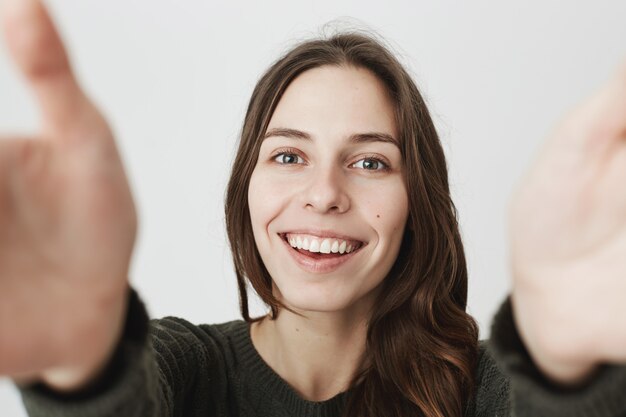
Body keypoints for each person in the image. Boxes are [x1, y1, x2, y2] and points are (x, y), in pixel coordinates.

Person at [1, 1, 625, 416]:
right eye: (289, 157)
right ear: (247, 184)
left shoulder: (482, 392)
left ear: (417, 200)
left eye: (371, 162)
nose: (325, 193)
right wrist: (85, 371)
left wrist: (570, 376)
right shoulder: (186, 371)